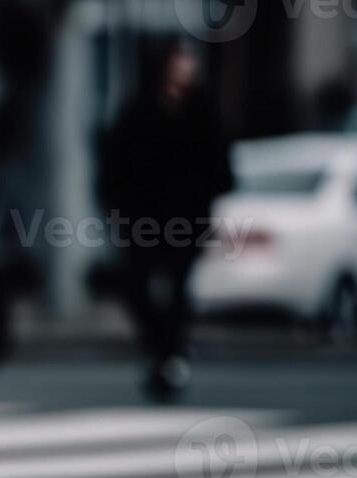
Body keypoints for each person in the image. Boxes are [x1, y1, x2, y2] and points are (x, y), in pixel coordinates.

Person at [97, 38, 233, 401]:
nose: (185, 68)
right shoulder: (139, 109)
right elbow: (115, 161)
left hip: (186, 219)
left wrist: (207, 200)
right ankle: (161, 348)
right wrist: (116, 205)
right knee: (135, 286)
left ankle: (170, 354)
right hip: (142, 218)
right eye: (179, 60)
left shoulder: (201, 110)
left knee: (178, 292)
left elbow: (219, 163)